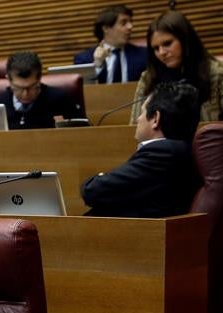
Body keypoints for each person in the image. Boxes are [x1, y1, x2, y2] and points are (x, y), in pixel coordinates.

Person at [82, 82, 201, 217]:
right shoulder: (180, 149)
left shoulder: (162, 154)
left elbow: (93, 190)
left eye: (142, 112)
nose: (138, 119)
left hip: (134, 234)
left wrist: (99, 178)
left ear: (155, 118)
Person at [129, 10, 222, 124]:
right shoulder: (148, 77)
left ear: (185, 40)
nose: (162, 52)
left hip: (206, 141)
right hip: (161, 142)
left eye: (167, 44)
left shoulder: (216, 73)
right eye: (156, 48)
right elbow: (134, 126)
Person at [0, 51, 85, 129]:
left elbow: (85, 131)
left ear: (39, 78)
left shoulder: (60, 100)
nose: (25, 94)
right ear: (8, 80)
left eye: (31, 87)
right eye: (18, 88)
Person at [73, 4, 147, 84]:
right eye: (123, 23)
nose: (130, 26)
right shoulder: (84, 59)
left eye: (130, 22)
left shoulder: (144, 55)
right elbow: (83, 89)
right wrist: (97, 66)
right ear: (106, 28)